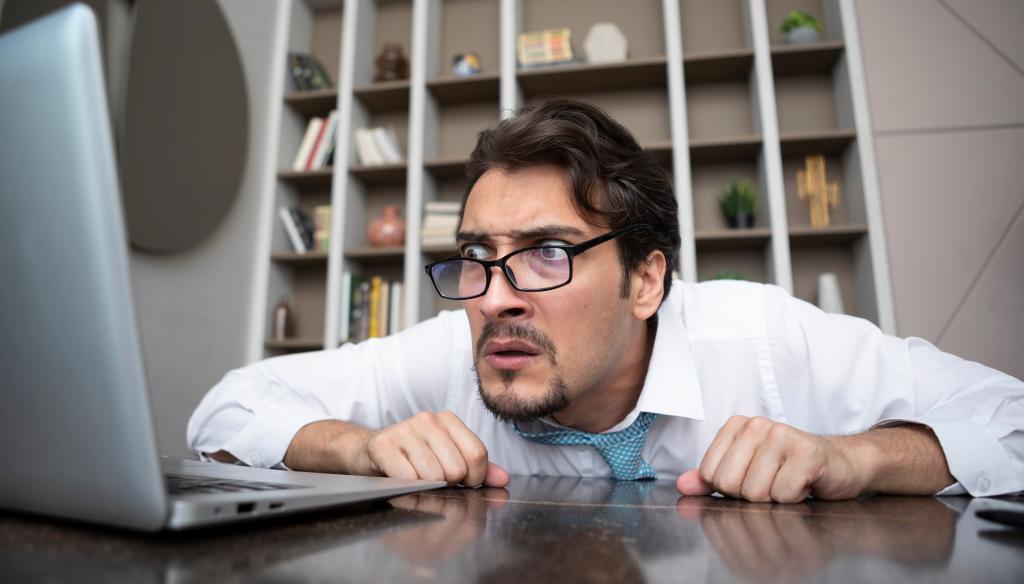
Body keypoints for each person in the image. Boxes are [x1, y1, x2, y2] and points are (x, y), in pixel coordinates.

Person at [188, 99, 1023, 502]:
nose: (496, 299)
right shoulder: (452, 348)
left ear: (647, 281)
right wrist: (359, 449)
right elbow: (226, 411)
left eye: (547, 253)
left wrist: (860, 458)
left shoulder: (762, 338)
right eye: (479, 256)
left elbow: (1011, 418)